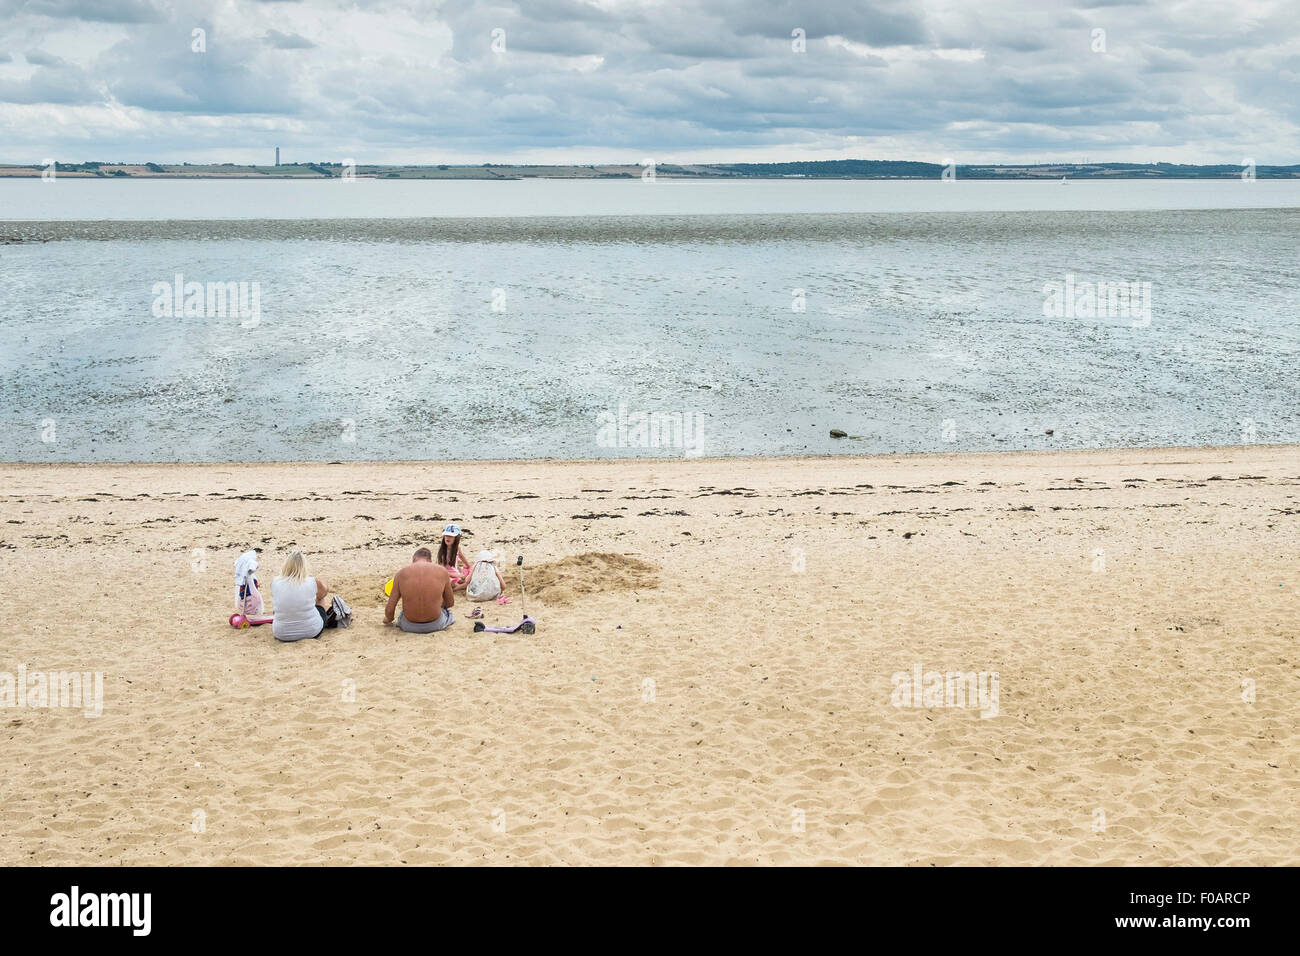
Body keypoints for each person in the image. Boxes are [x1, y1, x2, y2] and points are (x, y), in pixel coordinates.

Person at [385, 547, 456, 633]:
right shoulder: (442, 571)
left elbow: (390, 609)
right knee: (448, 613)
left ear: (414, 559)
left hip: (409, 625)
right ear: (430, 561)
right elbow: (450, 603)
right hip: (436, 624)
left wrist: (388, 619)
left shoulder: (401, 573)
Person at [271, 550, 330, 642]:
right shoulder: (312, 582)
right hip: (311, 631)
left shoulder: (275, 582)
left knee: (280, 603)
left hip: (281, 633)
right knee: (320, 598)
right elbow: (325, 591)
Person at [438, 523, 472, 590]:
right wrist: (458, 575)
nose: (447, 538)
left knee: (468, 579)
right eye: (446, 535)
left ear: (456, 538)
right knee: (451, 583)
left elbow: (462, 556)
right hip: (445, 574)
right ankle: (457, 588)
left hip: (454, 572)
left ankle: (458, 586)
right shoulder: (443, 551)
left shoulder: (456, 548)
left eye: (450, 536)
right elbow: (442, 571)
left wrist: (469, 566)